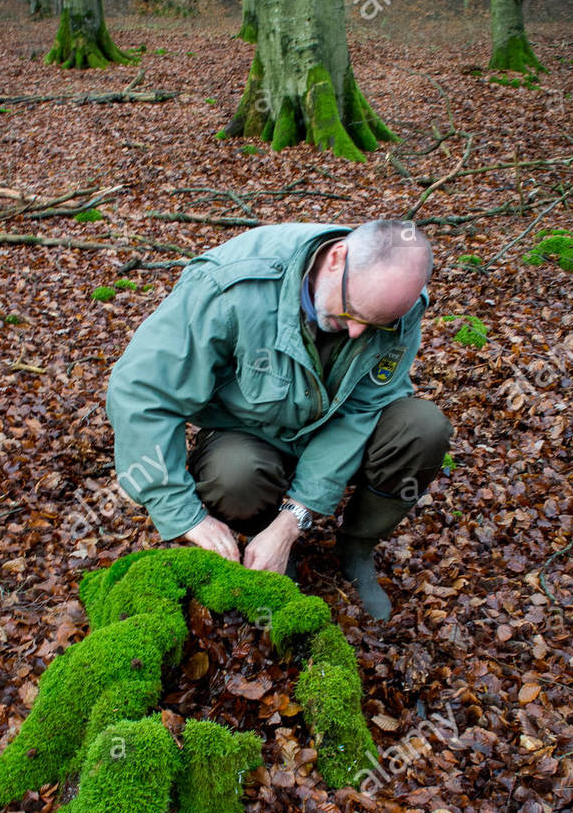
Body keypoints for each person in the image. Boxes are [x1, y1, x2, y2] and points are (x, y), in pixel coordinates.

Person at [105, 219, 451, 620]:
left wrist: (293, 519)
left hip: (333, 426)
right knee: (235, 476)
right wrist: (181, 512)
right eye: (352, 312)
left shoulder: (397, 304)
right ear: (337, 258)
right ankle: (263, 546)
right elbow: (143, 391)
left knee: (423, 429)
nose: (358, 332)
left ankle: (355, 548)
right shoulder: (231, 286)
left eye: (373, 324)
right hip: (246, 430)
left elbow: (363, 408)